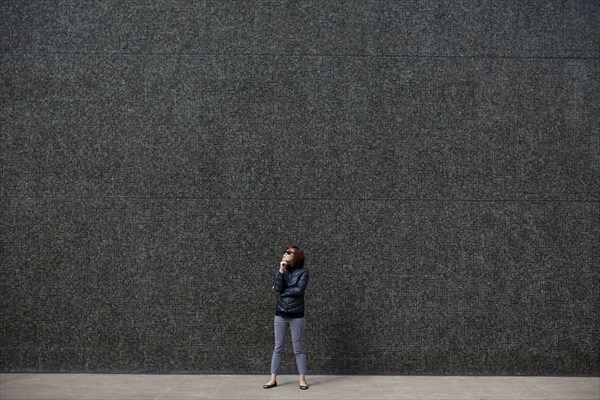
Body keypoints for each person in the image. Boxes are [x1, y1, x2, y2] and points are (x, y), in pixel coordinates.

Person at [263, 245, 310, 390]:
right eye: (284, 252)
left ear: (296, 256)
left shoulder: (303, 272)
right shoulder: (281, 271)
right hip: (280, 314)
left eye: (289, 252)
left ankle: (302, 379)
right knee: (278, 347)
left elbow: (299, 290)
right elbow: (278, 287)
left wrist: (282, 292)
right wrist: (281, 271)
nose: (285, 254)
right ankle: (273, 379)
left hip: (296, 315)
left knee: (298, 349)